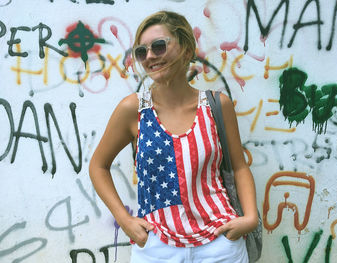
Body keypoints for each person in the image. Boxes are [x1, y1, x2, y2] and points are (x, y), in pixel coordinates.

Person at [89, 10, 258, 263]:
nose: (149, 57)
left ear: (187, 49)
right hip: (157, 247)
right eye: (141, 51)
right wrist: (125, 221)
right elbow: (98, 166)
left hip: (220, 246)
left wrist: (250, 218)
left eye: (159, 46)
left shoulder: (216, 105)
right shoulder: (133, 109)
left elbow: (239, 166)